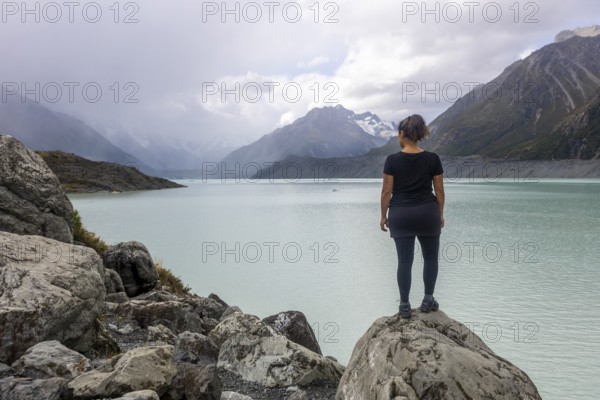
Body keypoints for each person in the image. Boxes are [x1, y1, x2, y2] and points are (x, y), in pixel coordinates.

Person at [380, 114, 445, 319]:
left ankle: (405, 306)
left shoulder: (392, 160)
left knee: (404, 261)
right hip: (428, 213)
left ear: (402, 134)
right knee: (431, 257)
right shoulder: (433, 159)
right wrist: (439, 214)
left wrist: (383, 216)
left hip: (401, 215)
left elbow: (386, 192)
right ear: (419, 135)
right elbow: (440, 190)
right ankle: (428, 300)